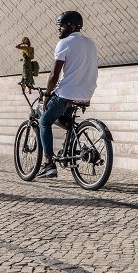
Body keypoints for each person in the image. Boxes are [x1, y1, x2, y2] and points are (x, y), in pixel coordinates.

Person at [37, 11, 98, 178]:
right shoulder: (91, 43)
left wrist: (47, 94)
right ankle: (70, 145)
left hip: (67, 93)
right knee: (66, 120)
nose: (59, 30)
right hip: (86, 92)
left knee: (44, 121)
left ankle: (49, 164)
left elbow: (54, 75)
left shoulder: (64, 43)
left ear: (71, 26)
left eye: (61, 26)